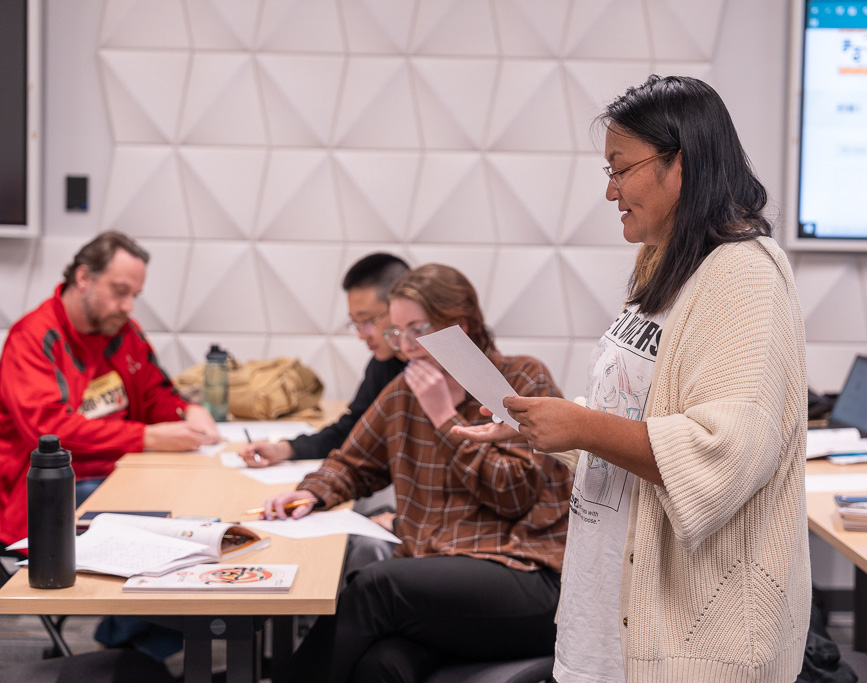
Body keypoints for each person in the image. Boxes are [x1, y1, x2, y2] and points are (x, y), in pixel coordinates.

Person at [455, 75, 811, 683]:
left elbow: (725, 454)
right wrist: (549, 429)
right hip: (607, 612)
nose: (611, 191)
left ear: (682, 164)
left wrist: (583, 426)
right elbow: (633, 419)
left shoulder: (744, 277)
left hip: (691, 636)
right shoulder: (661, 263)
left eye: (620, 169)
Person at [262, 264, 574, 683]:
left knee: (375, 587)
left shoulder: (522, 378)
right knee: (381, 666)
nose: (406, 346)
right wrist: (312, 493)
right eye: (397, 332)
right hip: (436, 583)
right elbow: (352, 463)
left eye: (417, 329)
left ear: (459, 326)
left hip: (524, 576)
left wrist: (445, 419)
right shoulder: (404, 394)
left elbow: (513, 493)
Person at [0, 231, 219, 547]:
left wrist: (189, 410)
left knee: (201, 508)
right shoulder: (32, 339)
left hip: (124, 472)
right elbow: (50, 432)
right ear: (84, 277)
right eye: (120, 291)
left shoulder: (123, 331)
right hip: (53, 493)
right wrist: (145, 437)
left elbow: (154, 392)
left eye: (135, 295)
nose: (128, 306)